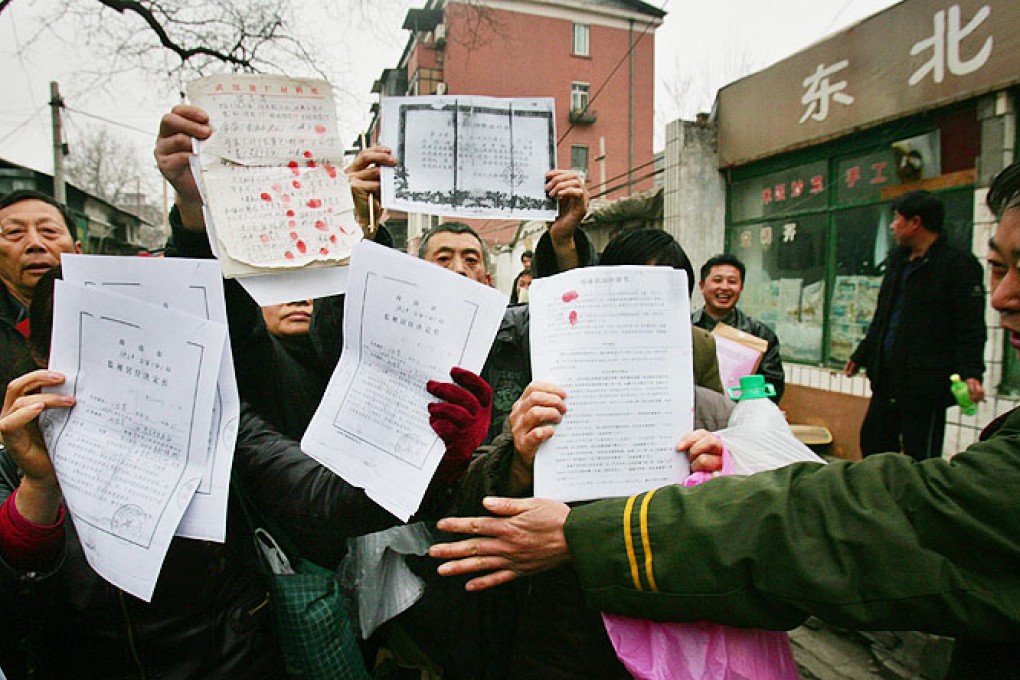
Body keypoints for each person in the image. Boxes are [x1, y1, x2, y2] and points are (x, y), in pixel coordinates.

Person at [429, 161, 1020, 678]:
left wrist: (722, 465)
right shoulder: (548, 385)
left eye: (667, 301)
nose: (1002, 296)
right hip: (561, 633)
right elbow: (475, 514)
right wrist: (520, 463)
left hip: (674, 620)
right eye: (999, 268)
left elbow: (784, 518)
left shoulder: (715, 383)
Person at [845, 190, 986, 460]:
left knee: (921, 457)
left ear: (915, 222)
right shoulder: (898, 262)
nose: (892, 225)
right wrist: (862, 354)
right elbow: (884, 316)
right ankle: (880, 500)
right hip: (887, 379)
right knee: (874, 444)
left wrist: (971, 371)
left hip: (926, 384)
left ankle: (916, 503)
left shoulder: (957, 265)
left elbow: (970, 326)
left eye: (897, 219)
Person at [692, 253, 785, 403]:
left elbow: (773, 386)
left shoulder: (760, 335)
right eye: (717, 280)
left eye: (732, 281)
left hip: (740, 416)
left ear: (741, 287)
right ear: (702, 286)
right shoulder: (686, 328)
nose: (724, 287)